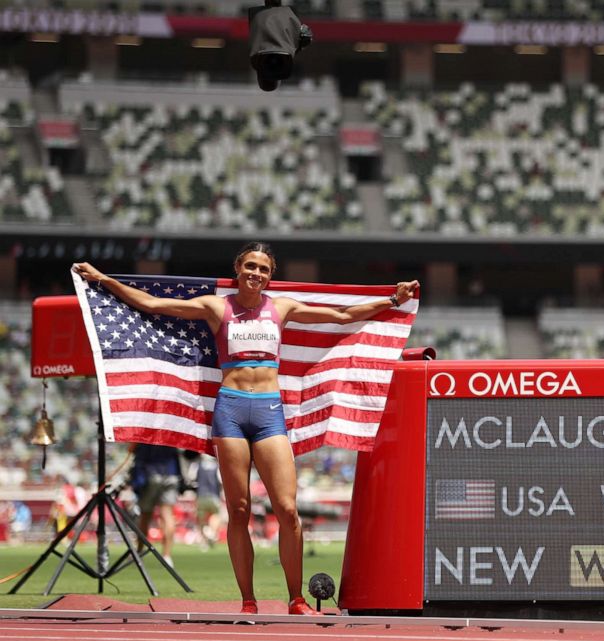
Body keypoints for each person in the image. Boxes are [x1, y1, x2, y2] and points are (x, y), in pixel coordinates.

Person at [74, 242, 419, 616]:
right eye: (251, 266)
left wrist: (391, 299)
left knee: (287, 509)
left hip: (269, 411)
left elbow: (340, 315)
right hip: (231, 411)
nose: (257, 273)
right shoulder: (216, 307)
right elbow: (153, 305)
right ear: (238, 269)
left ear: (271, 275)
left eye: (264, 269)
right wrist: (102, 279)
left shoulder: (281, 307)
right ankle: (248, 600)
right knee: (238, 510)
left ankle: (296, 599)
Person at [130, 442, 181, 567]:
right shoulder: (172, 425)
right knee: (167, 515)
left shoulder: (145, 424)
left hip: (150, 472)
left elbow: (131, 449)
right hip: (171, 473)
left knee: (145, 515)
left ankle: (139, 553)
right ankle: (167, 556)